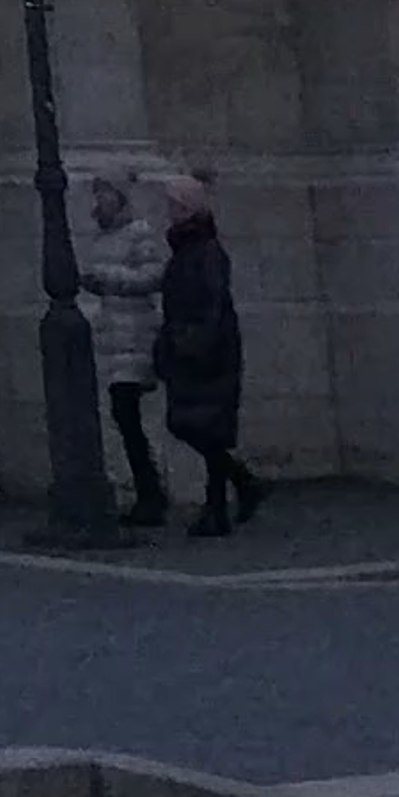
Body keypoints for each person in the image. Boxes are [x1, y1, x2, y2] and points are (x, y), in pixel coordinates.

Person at [153, 169, 263, 540]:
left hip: (209, 350)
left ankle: (219, 508)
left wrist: (196, 341)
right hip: (189, 345)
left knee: (204, 427)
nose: (168, 211)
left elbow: (214, 302)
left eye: (173, 204)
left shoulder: (207, 250)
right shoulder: (185, 246)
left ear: (187, 207)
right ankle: (241, 486)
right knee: (193, 426)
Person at [75, 161, 173, 535]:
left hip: (135, 336)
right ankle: (143, 489)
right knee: (122, 417)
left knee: (129, 416)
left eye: (106, 192)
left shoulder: (139, 233)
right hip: (112, 338)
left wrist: (108, 279)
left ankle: (150, 490)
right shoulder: (101, 238)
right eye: (97, 192)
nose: (100, 198)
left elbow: (153, 276)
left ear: (120, 197)